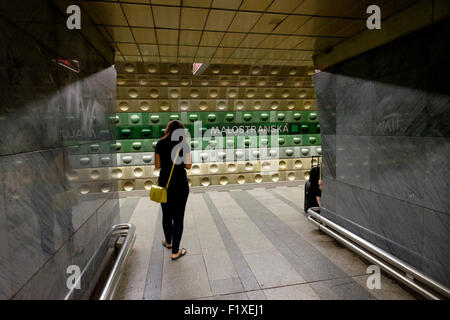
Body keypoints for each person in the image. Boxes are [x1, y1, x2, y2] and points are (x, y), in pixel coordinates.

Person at [155, 120, 192, 260]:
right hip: (180, 184)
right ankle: (175, 251)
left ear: (168, 129)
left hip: (164, 183)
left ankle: (168, 242)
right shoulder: (184, 145)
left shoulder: (160, 143)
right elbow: (188, 166)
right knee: (178, 217)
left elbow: (157, 165)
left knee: (166, 214)